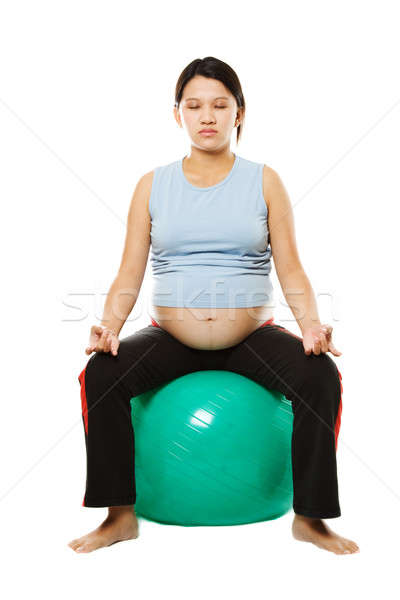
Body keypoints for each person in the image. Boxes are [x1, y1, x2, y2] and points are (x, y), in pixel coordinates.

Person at [68, 56, 360, 555]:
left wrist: (312, 328)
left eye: (220, 105)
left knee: (319, 377)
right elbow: (130, 270)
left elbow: (290, 268)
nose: (208, 116)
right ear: (177, 113)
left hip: (251, 337)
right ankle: (119, 515)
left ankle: (310, 518)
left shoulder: (264, 181)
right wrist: (110, 328)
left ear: (239, 113)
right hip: (171, 338)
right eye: (195, 105)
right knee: (100, 374)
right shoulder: (152, 185)